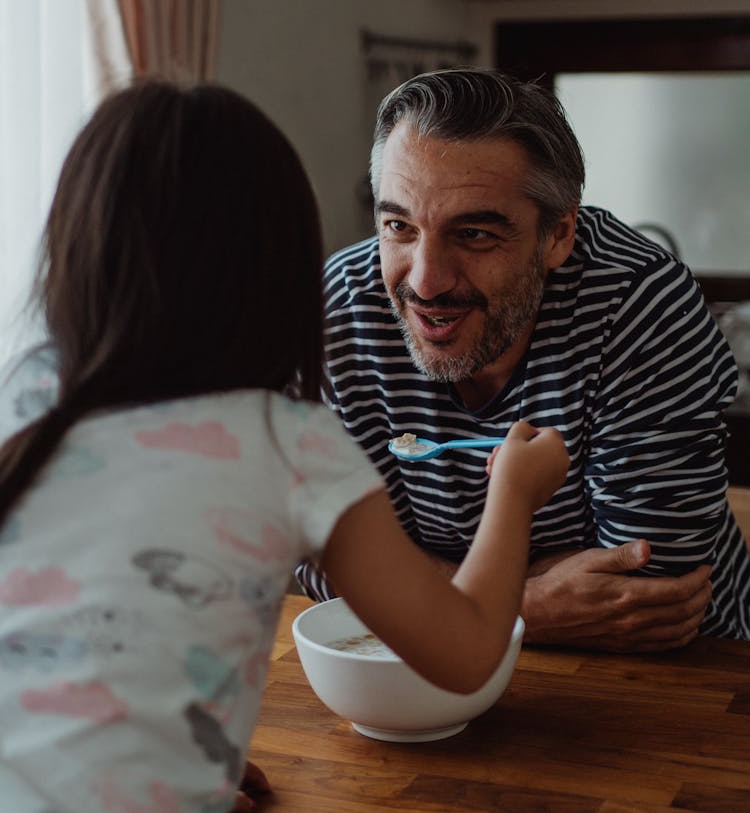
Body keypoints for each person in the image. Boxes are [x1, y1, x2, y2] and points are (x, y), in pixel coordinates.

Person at [0, 79, 568, 813]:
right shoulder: (286, 441)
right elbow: (465, 654)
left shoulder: (27, 398)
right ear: (278, 261)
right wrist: (513, 492)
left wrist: (174, 757)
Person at [296, 68, 750, 648]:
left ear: (558, 234)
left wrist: (414, 588)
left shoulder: (638, 303)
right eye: (399, 226)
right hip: (422, 671)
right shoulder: (341, 310)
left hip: (676, 681)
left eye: (476, 235)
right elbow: (320, 559)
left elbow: (651, 589)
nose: (426, 281)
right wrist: (533, 604)